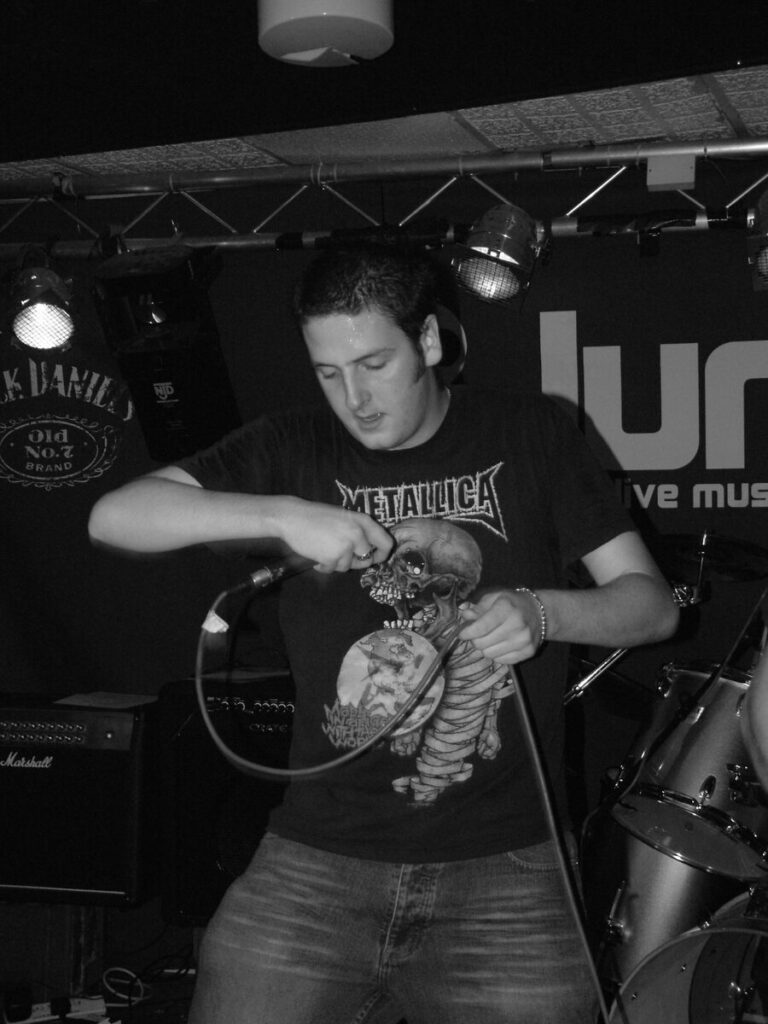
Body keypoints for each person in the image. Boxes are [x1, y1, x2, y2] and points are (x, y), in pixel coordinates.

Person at [88, 246, 679, 1024]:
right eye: (329, 373)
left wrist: (544, 612)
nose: (355, 399)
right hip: (316, 860)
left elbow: (652, 607)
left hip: (508, 870)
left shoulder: (530, 429)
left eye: (373, 365)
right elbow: (114, 518)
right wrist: (282, 514)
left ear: (428, 341)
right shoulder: (293, 445)